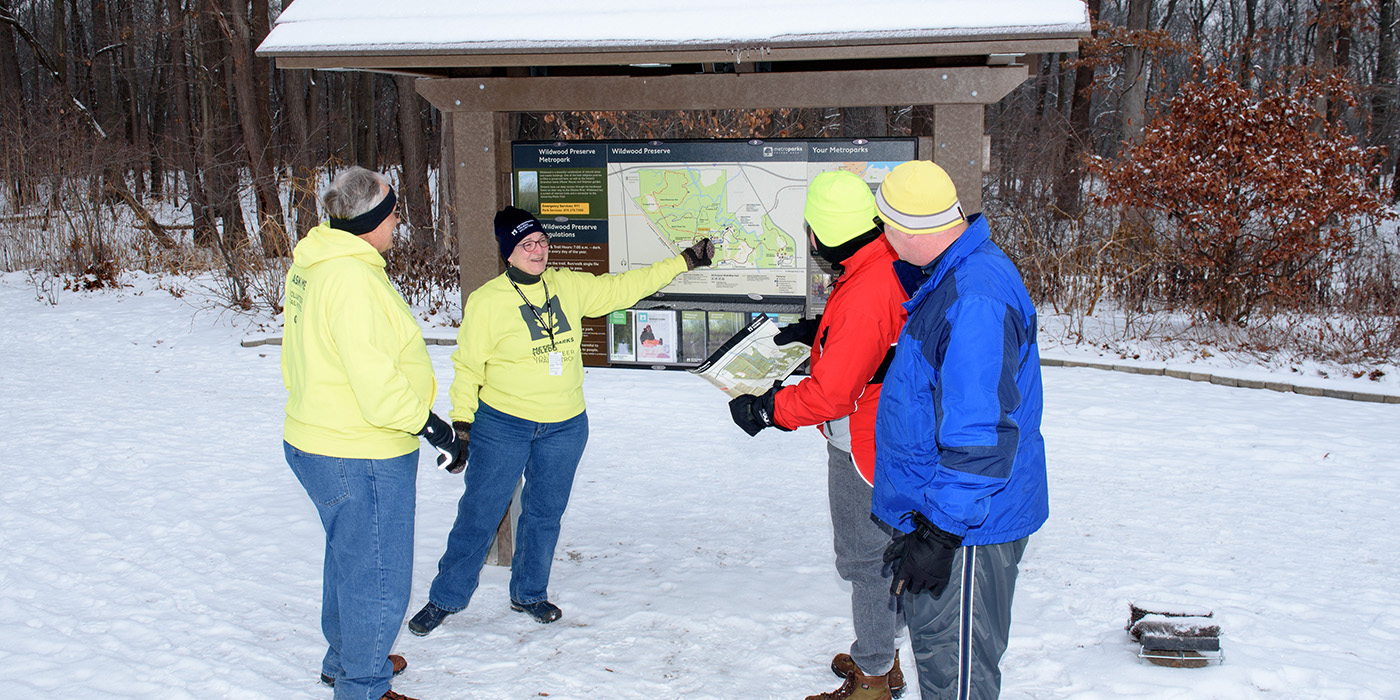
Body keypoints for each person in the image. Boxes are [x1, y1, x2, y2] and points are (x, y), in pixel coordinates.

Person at [408, 206, 714, 634]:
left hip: (565, 424)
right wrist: (462, 425)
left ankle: (529, 592)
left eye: (542, 242)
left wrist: (684, 261)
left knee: (544, 513)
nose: (538, 251)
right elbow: (468, 367)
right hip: (504, 424)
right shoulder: (488, 301)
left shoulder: (567, 284)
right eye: (526, 244)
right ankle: (446, 598)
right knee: (481, 511)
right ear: (508, 253)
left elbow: (625, 286)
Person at [281, 166, 463, 700]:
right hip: (360, 447)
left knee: (350, 556)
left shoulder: (318, 262)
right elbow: (377, 384)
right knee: (378, 572)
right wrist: (434, 428)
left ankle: (346, 660)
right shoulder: (352, 280)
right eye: (393, 211)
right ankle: (362, 685)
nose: (398, 220)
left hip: (318, 436)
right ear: (371, 220)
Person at [728, 171, 910, 700]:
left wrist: (767, 410)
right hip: (893, 433)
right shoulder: (883, 260)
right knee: (890, 551)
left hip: (864, 445)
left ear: (820, 235)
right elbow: (873, 344)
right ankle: (884, 654)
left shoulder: (863, 290)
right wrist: (818, 332)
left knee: (866, 559)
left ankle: (874, 675)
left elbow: (832, 396)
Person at [870, 161, 1047, 700]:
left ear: (905, 229)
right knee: (944, 666)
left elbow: (982, 434)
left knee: (959, 676)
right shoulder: (952, 277)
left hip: (969, 527)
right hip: (947, 513)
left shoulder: (973, 296)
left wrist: (941, 532)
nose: (883, 238)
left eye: (883, 226)